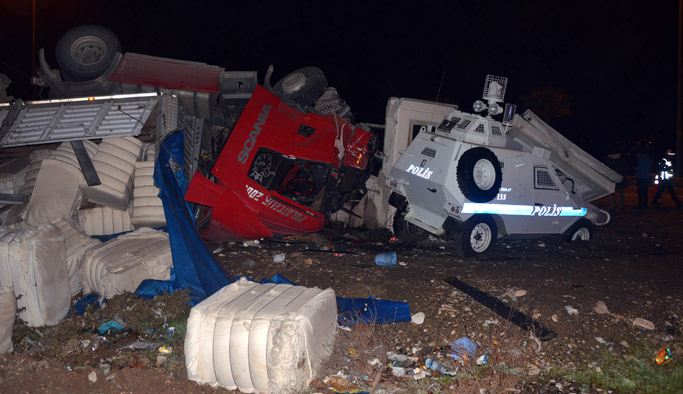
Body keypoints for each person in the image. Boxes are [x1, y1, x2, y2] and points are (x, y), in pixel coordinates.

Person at [603, 148, 630, 212]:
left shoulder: (608, 160)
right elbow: (625, 169)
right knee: (621, 194)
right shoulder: (621, 160)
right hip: (620, 178)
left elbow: (605, 169)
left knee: (612, 194)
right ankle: (622, 206)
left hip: (611, 179)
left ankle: (612, 206)